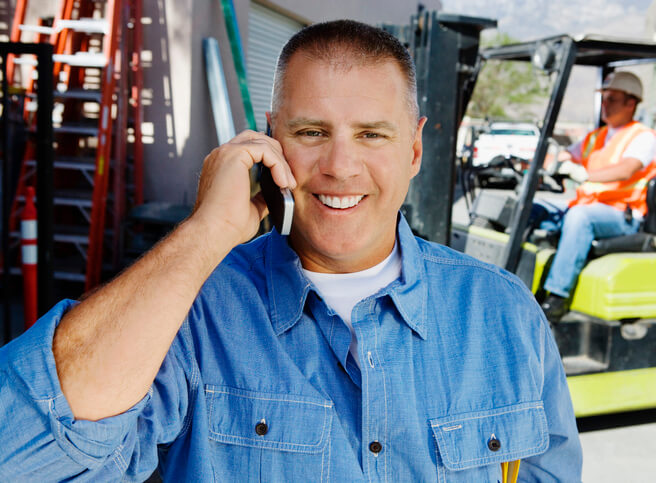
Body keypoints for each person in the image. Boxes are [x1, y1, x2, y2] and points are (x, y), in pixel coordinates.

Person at [0, 20, 582, 481]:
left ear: (413, 151)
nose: (339, 167)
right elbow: (21, 457)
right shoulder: (192, 311)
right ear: (269, 141)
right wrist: (206, 232)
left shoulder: (505, 314)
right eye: (311, 133)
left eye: (371, 134)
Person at [540, 71, 656, 320]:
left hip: (623, 215)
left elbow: (627, 168)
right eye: (604, 99)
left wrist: (584, 174)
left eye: (611, 99)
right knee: (534, 209)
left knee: (579, 218)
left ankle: (556, 297)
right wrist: (559, 161)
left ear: (631, 103)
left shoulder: (642, 137)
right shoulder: (596, 137)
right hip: (590, 206)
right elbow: (567, 154)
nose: (604, 105)